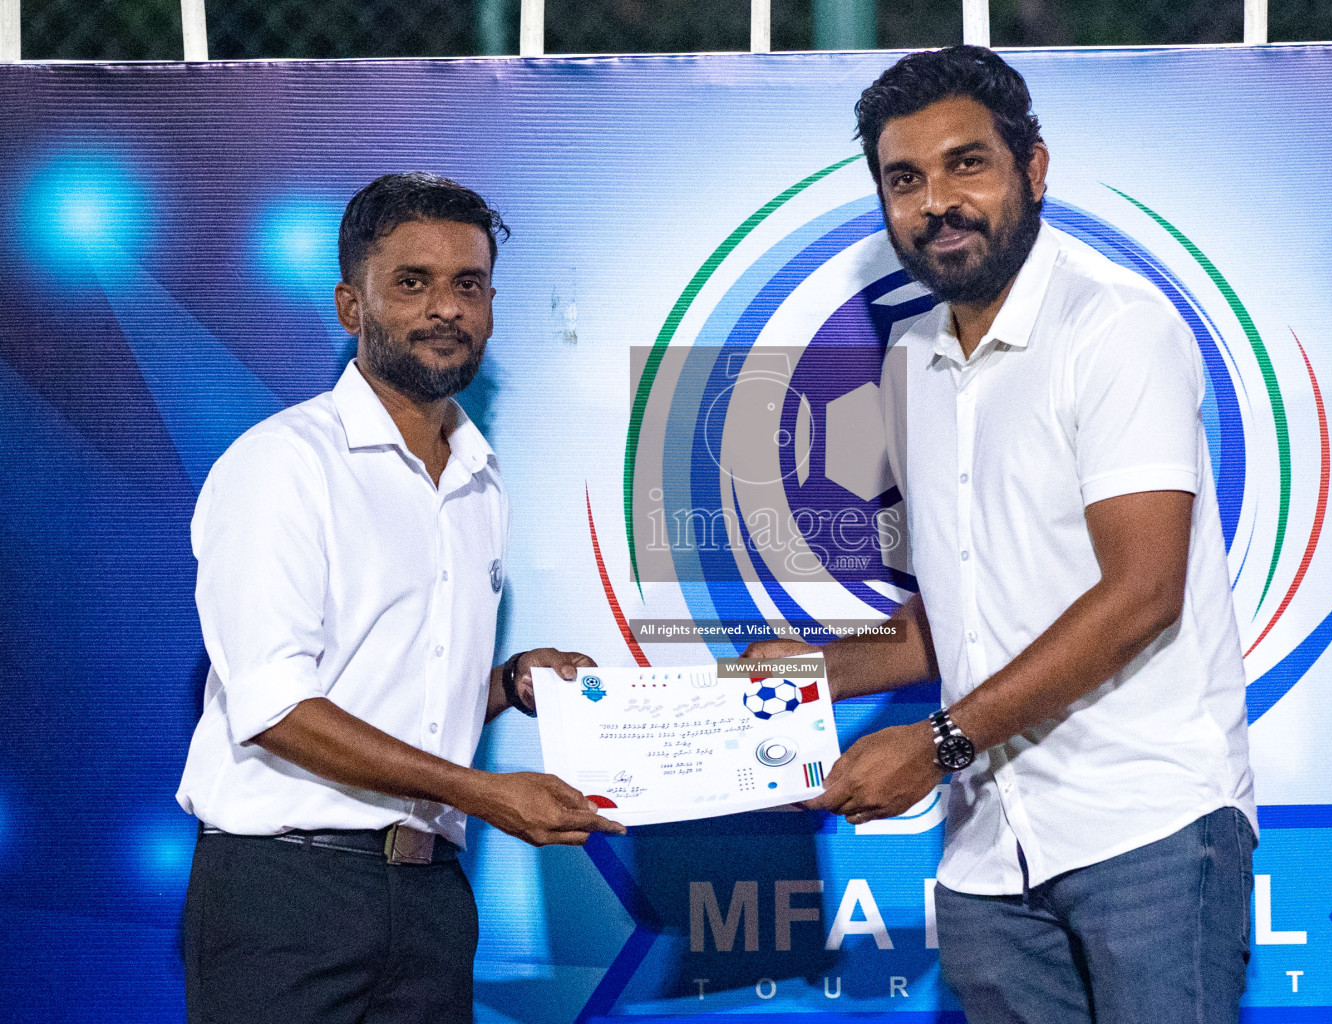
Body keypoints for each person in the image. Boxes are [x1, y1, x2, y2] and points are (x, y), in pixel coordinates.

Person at [747, 46, 1257, 1023]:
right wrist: (805, 673)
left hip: (1145, 828)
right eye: (905, 179)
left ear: (1033, 167)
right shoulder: (911, 360)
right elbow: (958, 613)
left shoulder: (1115, 327)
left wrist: (937, 742)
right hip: (988, 854)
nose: (936, 200)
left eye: (965, 164)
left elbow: (1143, 592)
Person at [176, 171, 624, 1024]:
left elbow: (394, 690)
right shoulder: (283, 465)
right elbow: (273, 704)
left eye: (468, 285)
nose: (446, 308)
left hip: (429, 901)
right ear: (352, 305)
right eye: (412, 284)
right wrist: (482, 792)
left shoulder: (480, 481)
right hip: (285, 898)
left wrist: (510, 680)